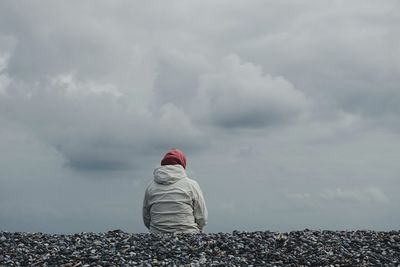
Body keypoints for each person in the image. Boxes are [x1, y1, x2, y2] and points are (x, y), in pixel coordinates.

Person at [142, 148, 208, 233]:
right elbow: (202, 217)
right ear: (183, 164)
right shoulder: (192, 185)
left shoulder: (150, 187)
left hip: (156, 235)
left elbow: (146, 218)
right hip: (188, 233)